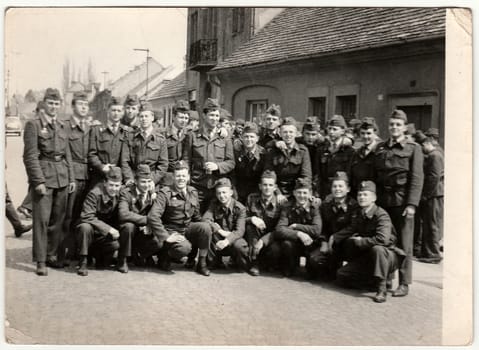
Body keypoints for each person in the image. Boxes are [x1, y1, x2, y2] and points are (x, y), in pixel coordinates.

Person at [23, 88, 75, 275]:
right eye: (50, 103)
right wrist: (37, 181)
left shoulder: (62, 125)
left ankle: (52, 255)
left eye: (56, 104)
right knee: (41, 222)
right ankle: (40, 260)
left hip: (61, 177)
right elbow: (30, 157)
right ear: (44, 103)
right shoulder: (33, 125)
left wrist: (70, 177)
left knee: (58, 221)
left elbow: (66, 153)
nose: (53, 107)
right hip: (44, 178)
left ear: (60, 105)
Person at [374, 109, 424, 297]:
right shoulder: (381, 148)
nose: (394, 128)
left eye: (398, 125)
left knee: (404, 243)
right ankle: (387, 278)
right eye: (391, 124)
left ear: (404, 127)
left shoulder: (413, 148)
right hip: (384, 202)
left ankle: (404, 283)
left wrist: (412, 205)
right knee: (386, 240)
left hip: (402, 202)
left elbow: (417, 179)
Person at [334, 181, 405, 303]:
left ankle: (381, 288)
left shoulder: (381, 215)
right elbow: (351, 228)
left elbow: (382, 239)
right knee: (342, 276)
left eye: (365, 195)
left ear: (374, 198)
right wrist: (335, 237)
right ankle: (374, 280)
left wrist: (362, 241)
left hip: (388, 256)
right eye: (360, 195)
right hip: (369, 257)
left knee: (377, 248)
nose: (361, 197)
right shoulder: (359, 213)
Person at [147, 161, 212, 276]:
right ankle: (165, 254)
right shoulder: (165, 193)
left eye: (183, 176)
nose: (181, 179)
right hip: (171, 230)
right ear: (173, 177)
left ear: (188, 177)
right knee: (184, 249)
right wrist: (166, 237)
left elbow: (196, 216)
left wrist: (208, 225)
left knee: (205, 227)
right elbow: (153, 216)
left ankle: (201, 263)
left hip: (186, 228)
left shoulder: (193, 192)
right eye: (178, 176)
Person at [59, 91, 95, 265]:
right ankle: (63, 251)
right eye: (80, 104)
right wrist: (71, 177)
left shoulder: (90, 127)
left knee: (82, 215)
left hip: (87, 177)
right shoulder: (64, 126)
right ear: (73, 106)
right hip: (72, 176)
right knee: (68, 215)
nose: (84, 108)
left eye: (86, 105)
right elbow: (64, 154)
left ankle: (76, 250)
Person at [182, 98, 235, 212]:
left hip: (217, 187)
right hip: (197, 186)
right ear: (204, 115)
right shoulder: (192, 136)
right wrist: (187, 179)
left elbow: (231, 162)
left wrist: (218, 167)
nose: (214, 119)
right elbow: (186, 160)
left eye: (217, 116)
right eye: (211, 115)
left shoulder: (225, 137)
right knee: (195, 216)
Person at [308, 171, 359, 280]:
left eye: (341, 186)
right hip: (330, 245)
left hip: (346, 243)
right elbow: (323, 227)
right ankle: (332, 269)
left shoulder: (354, 205)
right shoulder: (326, 205)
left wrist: (335, 237)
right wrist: (324, 241)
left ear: (348, 189)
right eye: (334, 186)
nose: (337, 189)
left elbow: (353, 227)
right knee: (314, 260)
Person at [76, 167, 123, 276]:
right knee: (85, 227)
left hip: (102, 234)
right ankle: (83, 261)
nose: (114, 189)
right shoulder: (95, 193)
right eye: (111, 185)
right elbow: (87, 216)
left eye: (117, 186)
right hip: (90, 232)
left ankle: (99, 257)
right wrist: (109, 229)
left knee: (115, 244)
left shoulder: (121, 193)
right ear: (105, 183)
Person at [272, 178, 322, 277]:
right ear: (294, 193)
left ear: (310, 193)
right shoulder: (287, 207)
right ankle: (291, 267)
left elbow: (316, 230)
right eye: (299, 192)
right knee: (286, 244)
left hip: (310, 243)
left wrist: (296, 226)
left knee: (313, 270)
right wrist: (299, 234)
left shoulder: (314, 207)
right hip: (294, 242)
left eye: (305, 193)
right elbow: (279, 229)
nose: (302, 196)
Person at [117, 165, 159, 273]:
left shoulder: (153, 194)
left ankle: (142, 254)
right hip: (128, 230)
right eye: (143, 182)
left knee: (159, 236)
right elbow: (123, 214)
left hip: (143, 230)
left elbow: (156, 214)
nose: (146, 185)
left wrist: (150, 224)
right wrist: (146, 220)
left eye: (149, 181)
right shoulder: (126, 193)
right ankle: (123, 259)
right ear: (135, 181)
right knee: (128, 227)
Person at [202, 178, 248, 272]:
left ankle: (237, 262)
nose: (222, 196)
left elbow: (240, 231)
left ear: (231, 192)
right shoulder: (214, 204)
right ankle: (215, 262)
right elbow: (205, 219)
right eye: (219, 193)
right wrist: (220, 231)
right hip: (218, 240)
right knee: (208, 231)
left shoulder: (240, 208)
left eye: (224, 192)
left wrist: (227, 241)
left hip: (233, 239)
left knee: (240, 246)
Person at [244, 170, 284, 276]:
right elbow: (242, 218)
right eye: (265, 185)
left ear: (275, 187)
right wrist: (252, 218)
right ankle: (255, 262)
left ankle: (269, 263)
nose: (267, 188)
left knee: (275, 250)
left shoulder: (281, 203)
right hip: (254, 236)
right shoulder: (251, 198)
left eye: (270, 185)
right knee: (250, 227)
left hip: (272, 237)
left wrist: (263, 240)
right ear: (260, 186)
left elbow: (280, 228)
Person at [122, 102, 169, 188]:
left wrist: (153, 180)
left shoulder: (160, 139)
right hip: (134, 181)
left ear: (152, 118)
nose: (144, 119)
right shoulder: (130, 137)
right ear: (138, 118)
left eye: (146, 116)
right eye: (141, 116)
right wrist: (129, 178)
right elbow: (125, 161)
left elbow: (163, 164)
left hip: (152, 182)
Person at [264, 117, 312, 198]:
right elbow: (269, 173)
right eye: (285, 132)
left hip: (296, 189)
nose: (288, 135)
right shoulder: (273, 150)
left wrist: (298, 191)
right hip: (276, 190)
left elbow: (306, 176)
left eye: (291, 132)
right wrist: (278, 193)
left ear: (296, 133)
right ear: (280, 133)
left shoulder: (302, 151)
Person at [88, 96, 131, 188]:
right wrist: (102, 167)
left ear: (123, 113)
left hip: (117, 179)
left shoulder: (126, 132)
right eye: (113, 110)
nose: (116, 113)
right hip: (99, 177)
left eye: (119, 111)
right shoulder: (97, 130)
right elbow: (92, 154)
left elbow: (126, 158)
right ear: (108, 111)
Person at [416, 135, 444, 263]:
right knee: (428, 223)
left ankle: (434, 254)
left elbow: (434, 177)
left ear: (428, 143)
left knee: (432, 224)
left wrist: (426, 195)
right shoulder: (436, 154)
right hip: (434, 194)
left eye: (423, 145)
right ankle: (428, 252)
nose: (422, 148)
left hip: (434, 195)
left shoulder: (434, 156)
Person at [316, 115, 355, 199]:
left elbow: (350, 175)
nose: (331, 132)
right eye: (329, 129)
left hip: (341, 191)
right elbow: (318, 174)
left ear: (343, 131)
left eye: (335, 129)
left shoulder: (349, 151)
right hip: (325, 191)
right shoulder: (322, 149)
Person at [233, 122, 267, 204]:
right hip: (238, 191)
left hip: (256, 192)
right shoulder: (236, 152)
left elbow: (263, 175)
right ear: (241, 137)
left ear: (257, 138)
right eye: (246, 137)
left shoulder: (263, 153)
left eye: (252, 137)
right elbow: (232, 173)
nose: (249, 139)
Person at [349, 117, 381, 197]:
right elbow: (350, 175)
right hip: (358, 195)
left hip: (375, 196)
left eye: (369, 133)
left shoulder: (380, 152)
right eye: (363, 133)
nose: (365, 136)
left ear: (375, 134)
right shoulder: (356, 153)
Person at [162, 100, 190, 173]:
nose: (184, 121)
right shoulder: (163, 134)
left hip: (183, 176)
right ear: (173, 117)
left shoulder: (190, 134)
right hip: (167, 175)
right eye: (181, 117)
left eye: (186, 118)